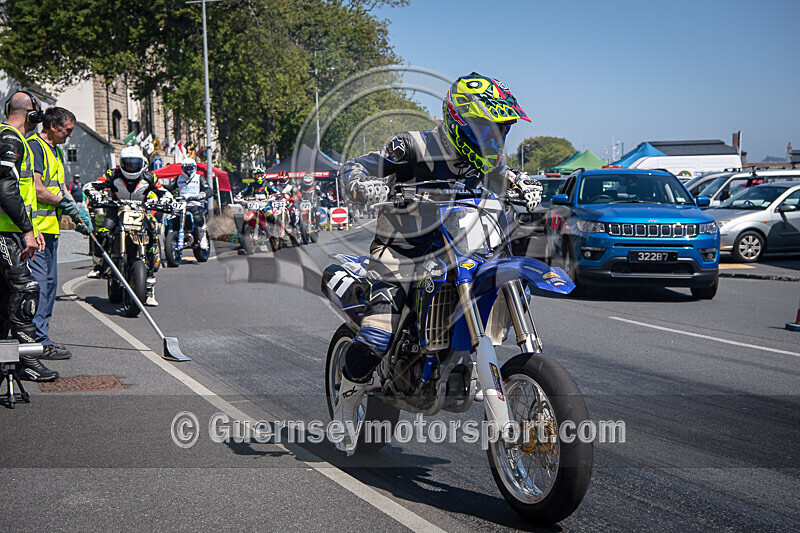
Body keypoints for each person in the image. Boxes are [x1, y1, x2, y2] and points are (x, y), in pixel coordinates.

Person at [332, 72, 543, 455]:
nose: (493, 138)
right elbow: (355, 166)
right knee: (378, 334)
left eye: (500, 130)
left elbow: (501, 176)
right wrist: (364, 184)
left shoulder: (487, 159)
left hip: (465, 247)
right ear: (459, 121)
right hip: (401, 252)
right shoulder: (412, 146)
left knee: (506, 279)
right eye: (485, 129)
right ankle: (346, 405)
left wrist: (520, 184)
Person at [0, 90, 58, 381]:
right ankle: (28, 360)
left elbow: (19, 193)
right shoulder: (10, 138)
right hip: (5, 232)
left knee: (5, 295)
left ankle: (4, 362)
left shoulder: (12, 138)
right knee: (25, 290)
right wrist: (25, 230)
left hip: (12, 229)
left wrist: (33, 228)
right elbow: (6, 190)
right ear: (32, 113)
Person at [27, 107, 92, 360]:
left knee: (51, 285)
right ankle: (36, 342)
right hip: (36, 231)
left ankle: (41, 337)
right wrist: (63, 203)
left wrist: (77, 213)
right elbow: (37, 188)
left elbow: (60, 187)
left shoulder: (54, 150)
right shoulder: (35, 147)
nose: (70, 135)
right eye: (68, 130)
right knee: (40, 287)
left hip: (51, 231)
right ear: (53, 126)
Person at [83, 145, 172, 306]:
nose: (131, 167)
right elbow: (91, 185)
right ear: (121, 163)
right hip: (116, 211)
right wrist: (95, 194)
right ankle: (98, 264)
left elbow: (164, 192)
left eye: (135, 164)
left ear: (142, 164)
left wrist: (164, 200)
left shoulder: (150, 177)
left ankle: (149, 285)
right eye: (128, 163)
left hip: (141, 213)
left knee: (152, 237)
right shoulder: (112, 174)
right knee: (102, 231)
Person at [164, 157, 212, 250]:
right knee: (171, 218)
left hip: (195, 204)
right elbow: (170, 187)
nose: (188, 170)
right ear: (182, 168)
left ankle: (202, 237)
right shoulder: (179, 178)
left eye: (190, 168)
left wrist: (203, 194)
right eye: (186, 168)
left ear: (194, 168)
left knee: (198, 217)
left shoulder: (199, 178)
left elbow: (208, 189)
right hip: (181, 205)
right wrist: (160, 188)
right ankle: (170, 237)